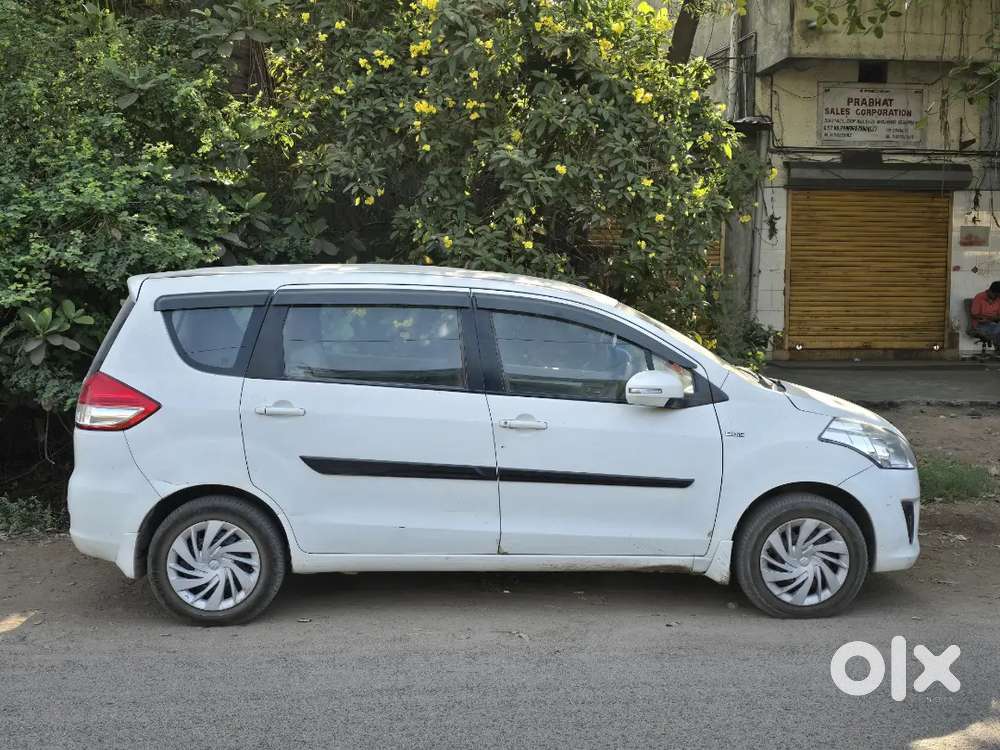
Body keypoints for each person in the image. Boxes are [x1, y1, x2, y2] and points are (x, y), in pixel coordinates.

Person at [971, 281, 1000, 347]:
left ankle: (996, 344)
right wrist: (987, 319)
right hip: (980, 325)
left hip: (994, 324)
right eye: (996, 295)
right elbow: (974, 314)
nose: (997, 297)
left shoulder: (998, 299)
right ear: (991, 291)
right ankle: (997, 345)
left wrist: (991, 319)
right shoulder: (979, 297)